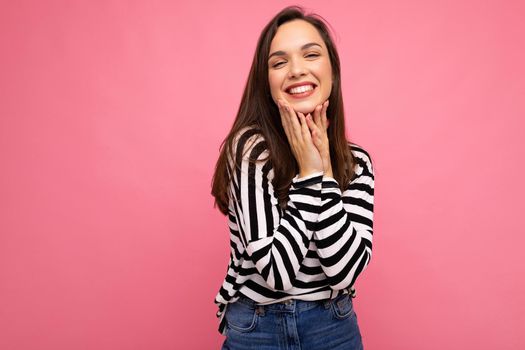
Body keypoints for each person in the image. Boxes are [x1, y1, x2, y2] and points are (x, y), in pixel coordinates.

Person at [210, 5, 375, 350]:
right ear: (265, 80)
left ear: (332, 68)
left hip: (334, 325)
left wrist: (324, 170)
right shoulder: (249, 150)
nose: (296, 70)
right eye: (279, 62)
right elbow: (277, 273)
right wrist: (310, 172)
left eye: (311, 55)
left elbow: (344, 272)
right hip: (257, 327)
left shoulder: (357, 163)